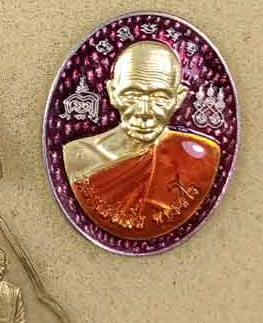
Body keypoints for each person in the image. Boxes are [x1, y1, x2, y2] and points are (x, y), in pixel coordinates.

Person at [63, 41, 221, 239]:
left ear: (179, 98)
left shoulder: (201, 158)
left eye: (160, 96)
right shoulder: (78, 157)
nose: (144, 111)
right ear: (113, 93)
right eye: (132, 95)